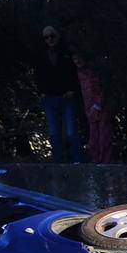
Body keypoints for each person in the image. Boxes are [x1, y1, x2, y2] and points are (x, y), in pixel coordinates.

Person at [33, 24, 87, 165]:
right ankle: (59, 162)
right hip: (49, 97)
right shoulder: (41, 54)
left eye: (52, 36)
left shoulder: (67, 52)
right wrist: (42, 92)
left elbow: (75, 72)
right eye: (46, 37)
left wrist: (72, 90)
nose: (49, 39)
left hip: (66, 96)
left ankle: (77, 161)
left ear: (57, 35)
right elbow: (38, 74)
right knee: (54, 132)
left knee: (71, 131)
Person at [72, 49, 115, 165]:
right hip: (89, 108)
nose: (77, 61)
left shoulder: (94, 71)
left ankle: (105, 162)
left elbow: (101, 88)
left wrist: (98, 104)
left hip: (101, 107)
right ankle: (96, 161)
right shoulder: (79, 73)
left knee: (104, 137)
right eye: (74, 59)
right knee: (94, 138)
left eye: (79, 58)